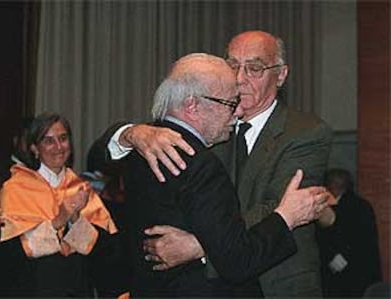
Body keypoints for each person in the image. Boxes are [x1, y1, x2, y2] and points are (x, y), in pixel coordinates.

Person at [104, 30, 333, 297]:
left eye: (255, 68)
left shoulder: (306, 132)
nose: (239, 78)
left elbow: (280, 206)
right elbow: (105, 155)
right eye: (233, 65)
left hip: (277, 284)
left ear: (281, 74)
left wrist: (201, 245)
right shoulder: (210, 126)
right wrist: (131, 133)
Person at [0, 112, 118, 297]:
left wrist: (75, 219)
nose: (58, 147)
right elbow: (7, 255)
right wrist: (58, 220)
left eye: (63, 139)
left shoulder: (81, 188)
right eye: (48, 141)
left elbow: (104, 254)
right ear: (35, 148)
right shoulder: (15, 188)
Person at [317, 168, 382, 297]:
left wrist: (332, 256)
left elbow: (324, 237)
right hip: (363, 272)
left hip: (342, 274)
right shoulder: (363, 206)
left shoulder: (329, 208)